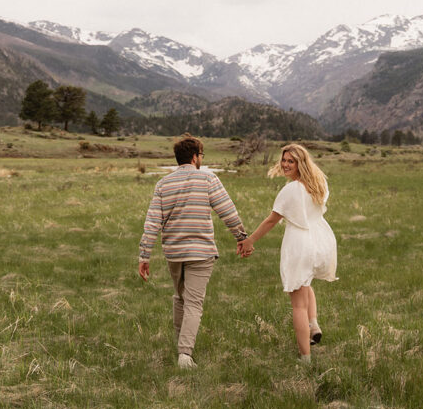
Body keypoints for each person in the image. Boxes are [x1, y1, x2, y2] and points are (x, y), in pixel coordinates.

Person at [138, 134, 251, 369]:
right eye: (201, 155)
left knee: (180, 298)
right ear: (194, 157)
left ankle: (180, 345)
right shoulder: (208, 179)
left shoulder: (163, 184)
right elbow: (227, 211)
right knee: (193, 303)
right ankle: (185, 355)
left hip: (174, 253)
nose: (201, 159)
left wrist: (144, 255)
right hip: (201, 252)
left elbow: (152, 223)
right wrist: (241, 237)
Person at [238, 143, 337, 363]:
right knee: (306, 283)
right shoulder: (318, 183)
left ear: (300, 163)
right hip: (320, 239)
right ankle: (314, 324)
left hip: (300, 242)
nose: (285, 164)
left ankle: (305, 358)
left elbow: (273, 219)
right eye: (283, 160)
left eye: (290, 161)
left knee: (297, 304)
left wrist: (250, 240)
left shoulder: (292, 190)